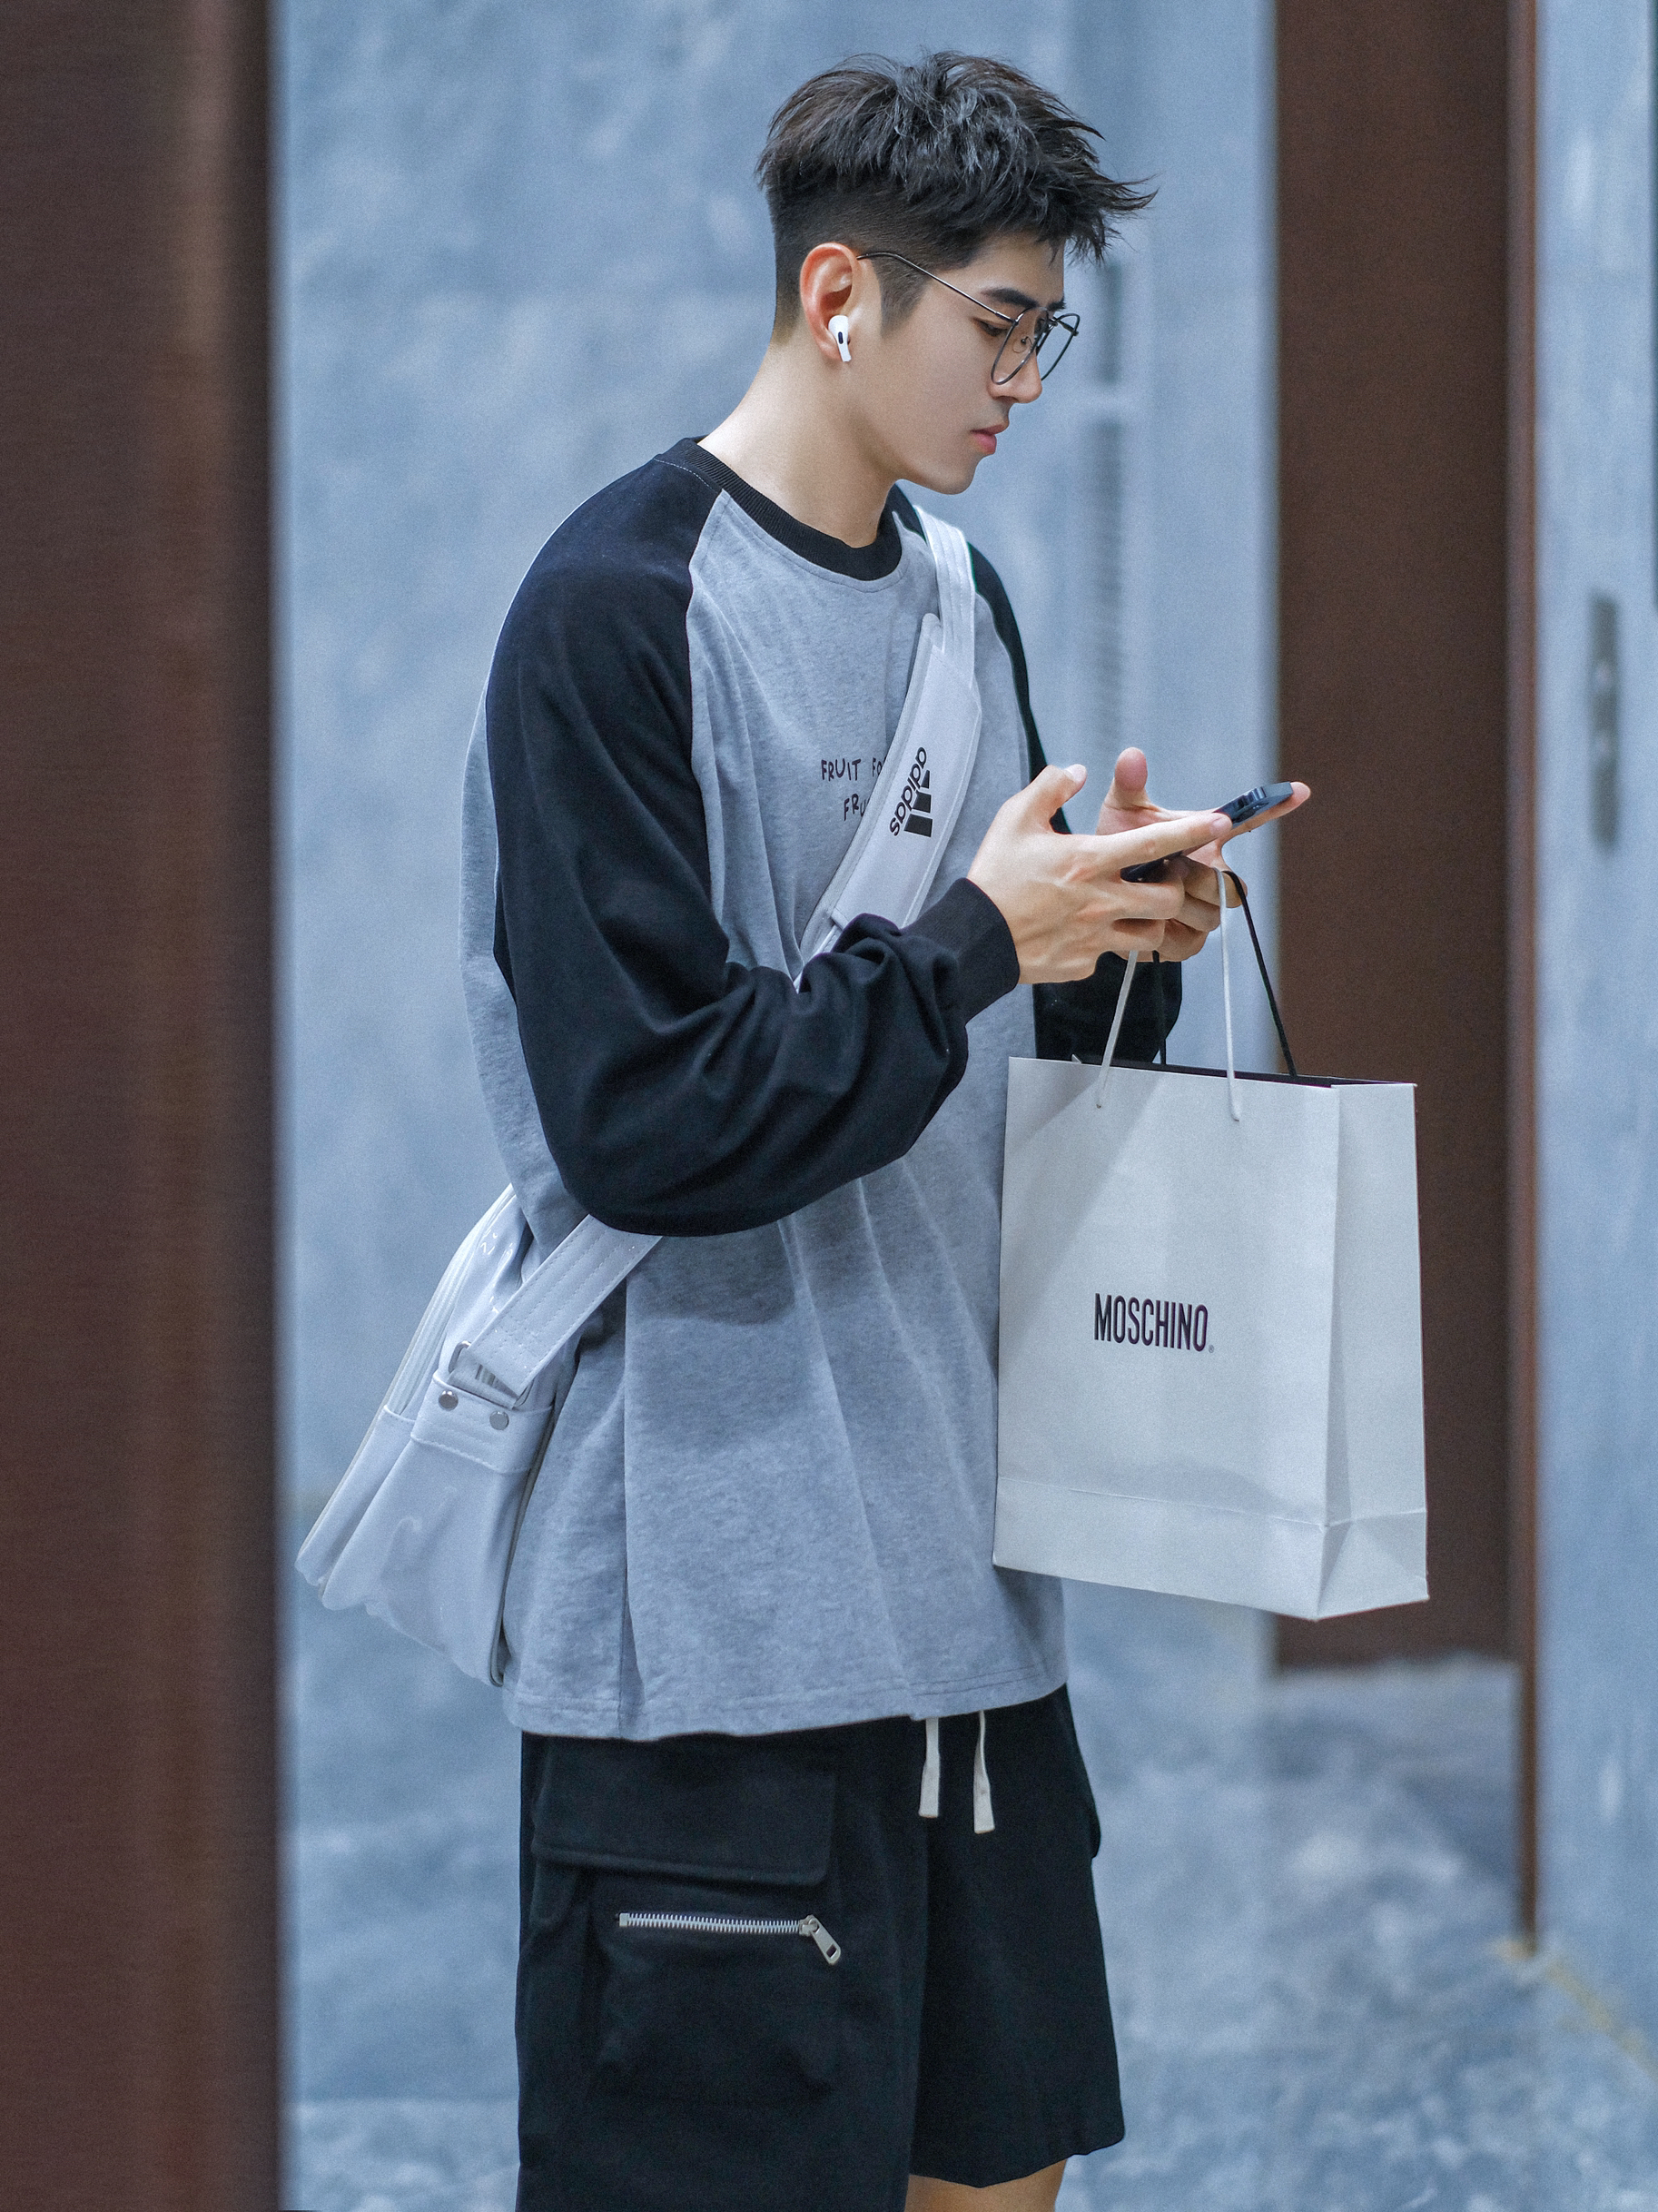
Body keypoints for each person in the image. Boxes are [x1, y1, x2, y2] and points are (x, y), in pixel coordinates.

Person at [470, 50, 1303, 2212]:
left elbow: (967, 1034)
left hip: (969, 1596)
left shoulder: (956, 595)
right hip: (713, 1641)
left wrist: (1110, 944)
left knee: (1002, 2182)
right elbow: (645, 1125)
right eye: (999, 325)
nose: (1025, 380)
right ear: (840, 295)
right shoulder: (612, 614)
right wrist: (970, 944)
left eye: (1048, 333)